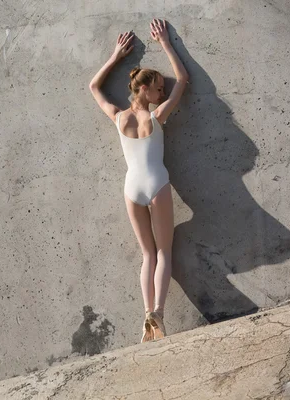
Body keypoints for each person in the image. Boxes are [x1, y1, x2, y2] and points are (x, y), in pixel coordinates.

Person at [88, 19, 188, 343]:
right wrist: (166, 44)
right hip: (157, 183)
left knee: (147, 255)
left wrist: (115, 56)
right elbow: (183, 80)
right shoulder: (156, 117)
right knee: (164, 253)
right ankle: (157, 311)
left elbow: (93, 87)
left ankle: (147, 314)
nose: (163, 92)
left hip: (131, 189)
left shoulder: (118, 118)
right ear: (144, 89)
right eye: (159, 88)